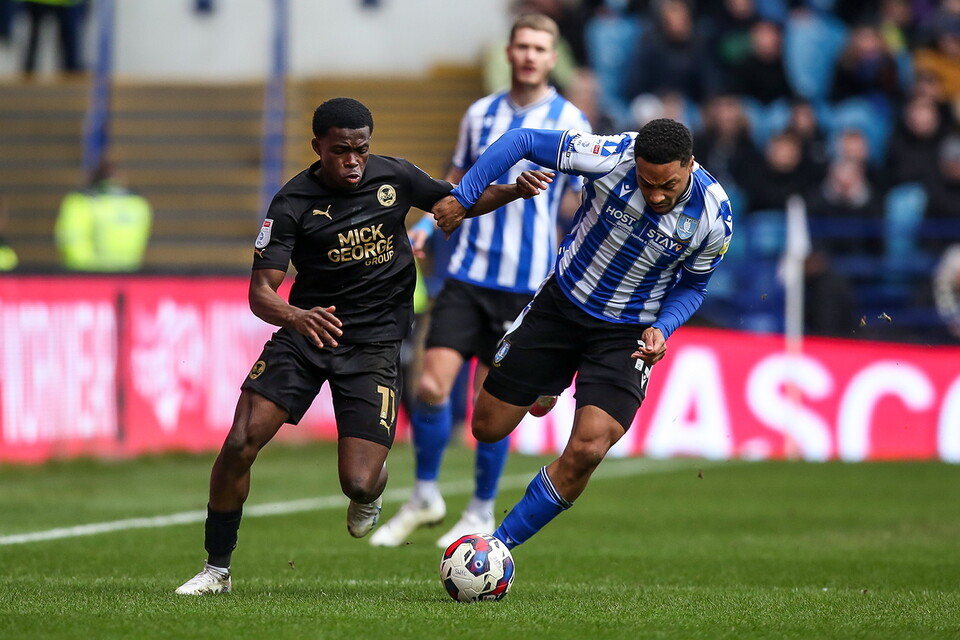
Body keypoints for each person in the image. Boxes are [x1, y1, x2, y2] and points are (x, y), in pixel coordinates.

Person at [174, 97, 548, 595]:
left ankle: (370, 491)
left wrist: (512, 192)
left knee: (358, 480)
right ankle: (216, 569)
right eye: (341, 151)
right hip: (308, 334)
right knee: (240, 441)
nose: (353, 160)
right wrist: (297, 316)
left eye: (360, 149)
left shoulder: (394, 176)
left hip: (374, 346)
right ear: (318, 148)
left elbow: (453, 202)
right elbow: (260, 293)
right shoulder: (291, 203)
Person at [431, 118, 733, 551]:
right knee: (487, 428)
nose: (655, 194)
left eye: (667, 184)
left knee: (589, 448)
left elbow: (693, 285)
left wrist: (662, 328)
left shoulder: (713, 216)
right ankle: (545, 385)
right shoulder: (611, 155)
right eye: (646, 182)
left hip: (627, 333)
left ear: (690, 165)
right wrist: (463, 197)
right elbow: (523, 141)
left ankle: (497, 547)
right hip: (562, 306)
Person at [370, 13, 591, 549]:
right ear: (510, 52)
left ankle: (480, 509)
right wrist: (425, 225)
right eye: (523, 45)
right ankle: (425, 495)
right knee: (428, 385)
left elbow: (582, 202)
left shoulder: (572, 121)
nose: (531, 56)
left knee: (490, 402)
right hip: (468, 273)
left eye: (541, 47)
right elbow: (452, 180)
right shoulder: (479, 113)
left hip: (525, 284)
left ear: (553, 56)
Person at [53, 160, 153, 272]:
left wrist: (84, 271)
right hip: (126, 275)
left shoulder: (80, 202)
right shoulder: (138, 204)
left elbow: (71, 240)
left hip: (88, 277)